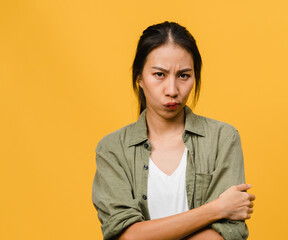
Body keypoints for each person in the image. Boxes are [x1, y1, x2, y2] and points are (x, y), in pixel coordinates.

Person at [92, 21, 255, 240]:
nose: (172, 90)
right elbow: (126, 236)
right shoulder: (113, 149)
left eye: (184, 75)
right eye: (159, 74)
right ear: (139, 77)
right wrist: (216, 209)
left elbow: (228, 233)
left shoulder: (222, 138)